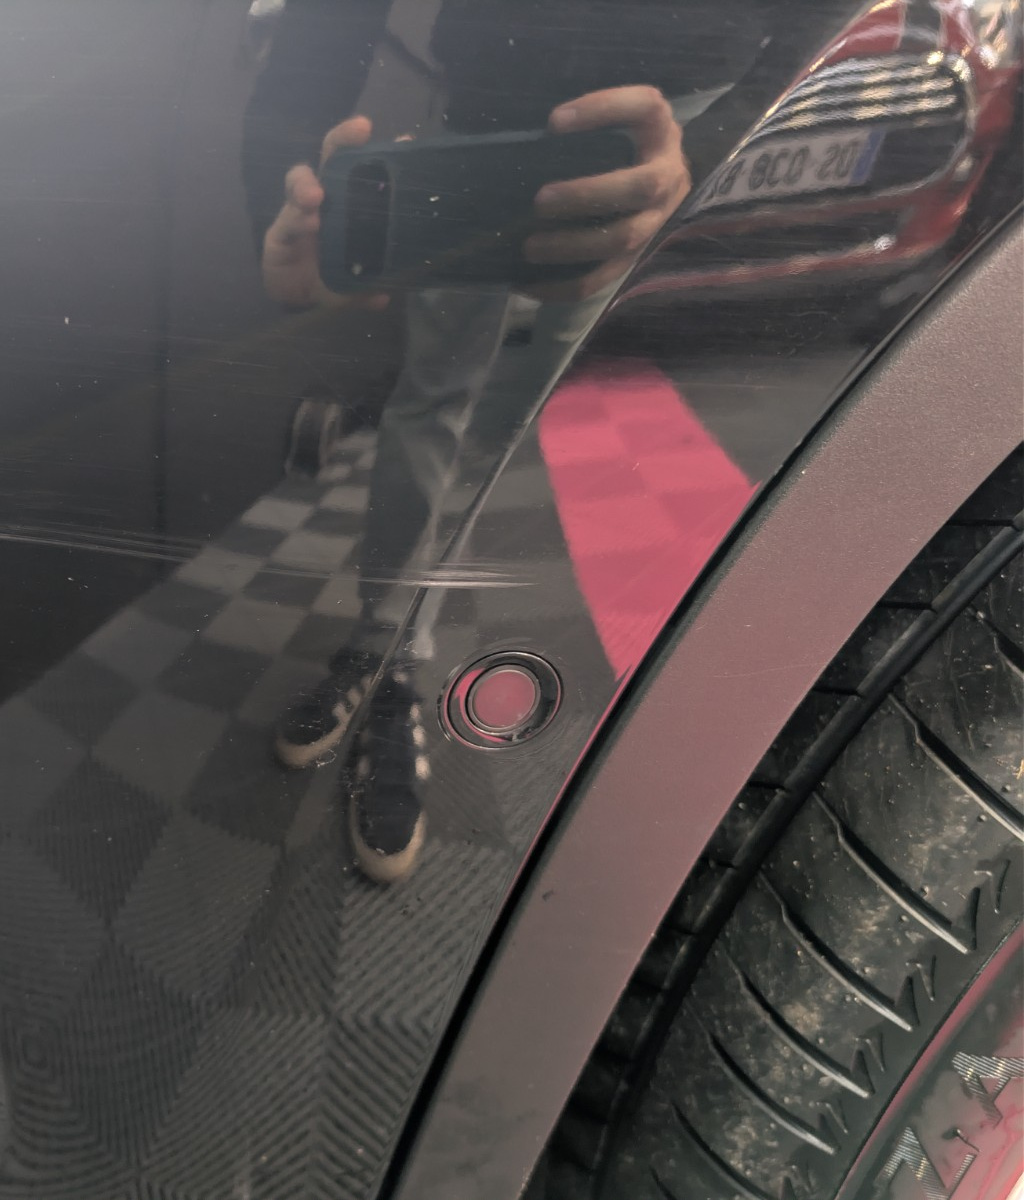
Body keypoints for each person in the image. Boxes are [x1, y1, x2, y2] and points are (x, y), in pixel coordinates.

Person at [242, 0, 757, 882]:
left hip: (649, 141)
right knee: (435, 397)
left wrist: (703, 157)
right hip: (483, 112)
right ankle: (389, 647)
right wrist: (275, 194)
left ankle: (399, 638)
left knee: (514, 419)